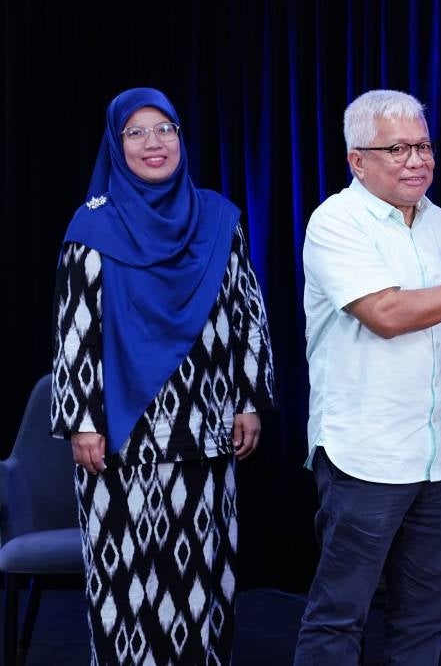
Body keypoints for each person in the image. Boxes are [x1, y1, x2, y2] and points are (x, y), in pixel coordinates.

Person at [293, 89, 441, 664]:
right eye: (398, 148)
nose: (417, 159)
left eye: (423, 145)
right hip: (365, 451)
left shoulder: (438, 222)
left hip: (439, 451)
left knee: (425, 614)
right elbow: (388, 315)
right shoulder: (335, 222)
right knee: (340, 614)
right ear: (357, 160)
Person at [51, 87, 275, 665]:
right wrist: (81, 420)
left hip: (205, 428)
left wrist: (249, 398)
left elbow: (247, 312)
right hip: (120, 439)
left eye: (165, 129)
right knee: (125, 581)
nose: (154, 143)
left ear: (181, 137)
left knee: (203, 579)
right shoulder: (92, 227)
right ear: (116, 144)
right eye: (137, 132)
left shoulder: (220, 219)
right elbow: (76, 330)